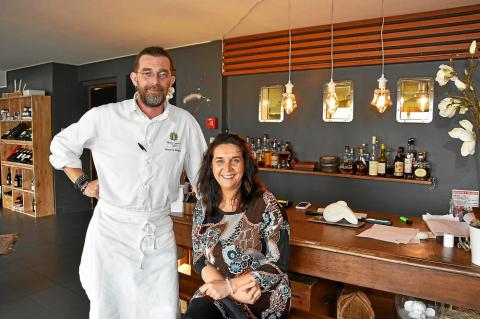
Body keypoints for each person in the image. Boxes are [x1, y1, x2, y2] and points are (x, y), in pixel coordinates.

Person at [49, 46, 207, 319]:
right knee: (109, 307)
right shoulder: (104, 117)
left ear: (172, 80)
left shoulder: (185, 124)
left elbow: (204, 179)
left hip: (158, 229)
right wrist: (83, 183)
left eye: (162, 74)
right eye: (147, 73)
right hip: (111, 231)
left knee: (162, 308)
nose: (155, 81)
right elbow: (61, 147)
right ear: (135, 78)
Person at [185, 133, 291, 319]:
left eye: (235, 160)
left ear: (245, 165)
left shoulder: (267, 204)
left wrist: (231, 287)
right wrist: (228, 289)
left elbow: (278, 264)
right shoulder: (203, 207)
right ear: (211, 166)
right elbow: (200, 259)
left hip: (259, 294)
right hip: (219, 288)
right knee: (197, 313)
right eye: (219, 161)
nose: (227, 168)